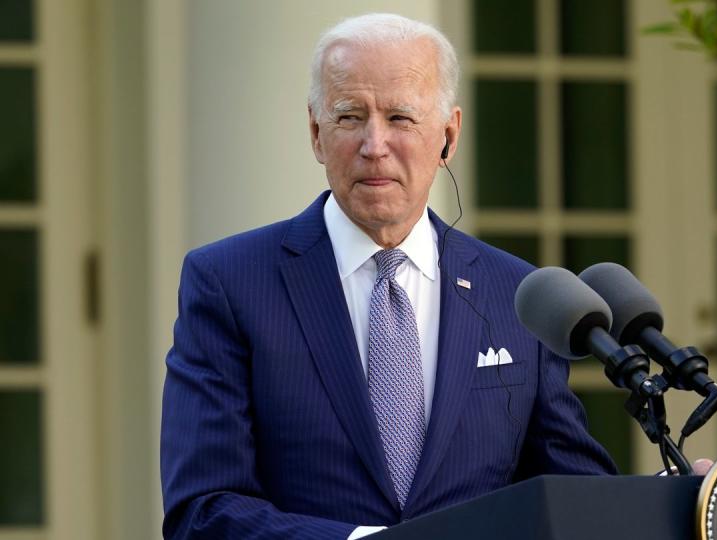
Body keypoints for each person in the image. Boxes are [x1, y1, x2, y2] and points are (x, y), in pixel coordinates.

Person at [160, 13, 617, 540]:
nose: (374, 145)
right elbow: (203, 511)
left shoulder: (517, 295)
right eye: (350, 117)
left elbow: (576, 497)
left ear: (448, 135)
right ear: (315, 132)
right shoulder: (229, 283)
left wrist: (680, 497)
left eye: (400, 118)